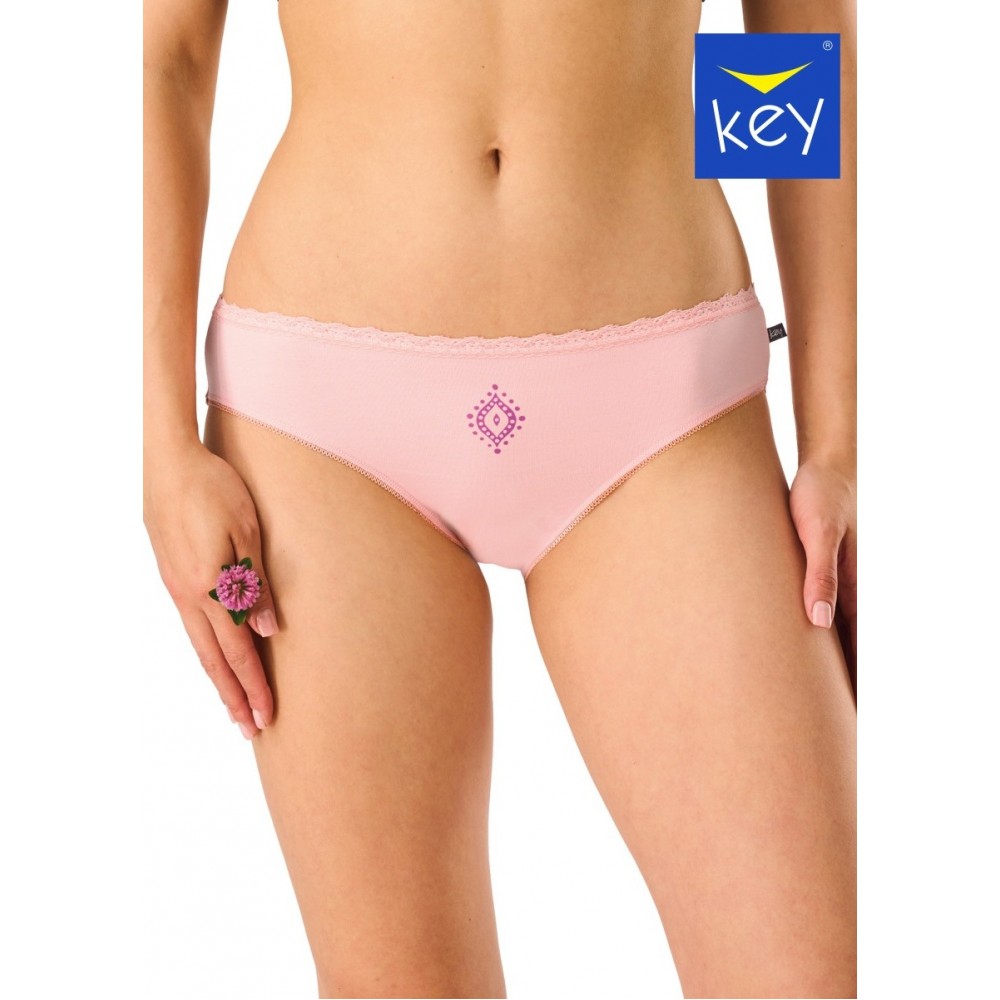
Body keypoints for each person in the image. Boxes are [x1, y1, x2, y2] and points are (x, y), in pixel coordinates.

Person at [143, 0, 857, 996]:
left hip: (666, 400)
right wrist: (161, 445)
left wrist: (836, 442)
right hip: (323, 419)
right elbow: (172, 59)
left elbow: (791, 45)